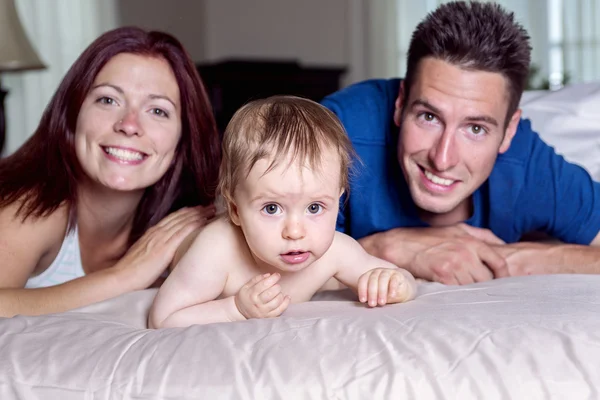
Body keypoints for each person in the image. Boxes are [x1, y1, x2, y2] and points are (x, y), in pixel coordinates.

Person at [321, 1, 600, 285]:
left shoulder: (526, 163)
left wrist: (521, 258)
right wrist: (385, 248)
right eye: (429, 117)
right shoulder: (337, 132)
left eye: (476, 128)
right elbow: (276, 268)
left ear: (509, 131)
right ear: (400, 103)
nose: (442, 159)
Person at [0, 27, 221, 317]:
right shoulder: (34, 205)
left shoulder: (179, 224)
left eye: (157, 111)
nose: (128, 125)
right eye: (108, 100)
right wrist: (124, 277)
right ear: (72, 115)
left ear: (182, 141)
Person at [148, 96, 417, 328]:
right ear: (235, 210)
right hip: (188, 250)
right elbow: (164, 317)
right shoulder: (217, 250)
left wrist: (395, 284)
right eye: (272, 208)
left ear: (338, 200)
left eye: (314, 207)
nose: (295, 232)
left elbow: (402, 278)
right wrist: (235, 309)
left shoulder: (336, 250)